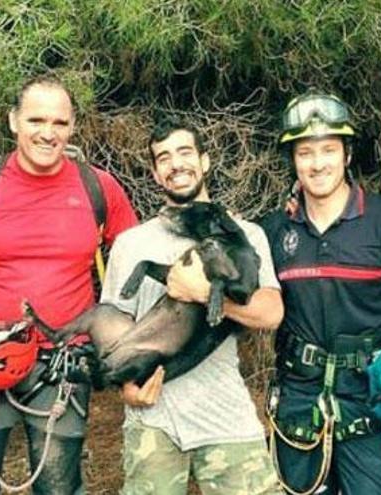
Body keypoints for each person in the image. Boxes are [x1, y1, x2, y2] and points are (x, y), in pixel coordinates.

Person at [0, 75, 138, 495]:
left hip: (62, 363)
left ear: (73, 126)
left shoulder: (99, 188)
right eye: (36, 120)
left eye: (59, 123)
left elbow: (136, 257)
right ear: (13, 122)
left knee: (58, 486)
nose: (47, 133)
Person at [99, 116, 284, 495]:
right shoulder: (132, 244)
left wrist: (201, 292)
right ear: (154, 173)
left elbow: (270, 312)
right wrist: (124, 388)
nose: (175, 164)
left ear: (205, 161)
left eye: (185, 152)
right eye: (163, 157)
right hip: (153, 420)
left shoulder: (244, 234)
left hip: (225, 417)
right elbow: (113, 325)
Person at [260, 92, 381, 494]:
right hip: (299, 405)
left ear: (347, 154)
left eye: (329, 150)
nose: (318, 164)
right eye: (305, 153)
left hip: (372, 404)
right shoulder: (273, 231)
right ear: (293, 160)